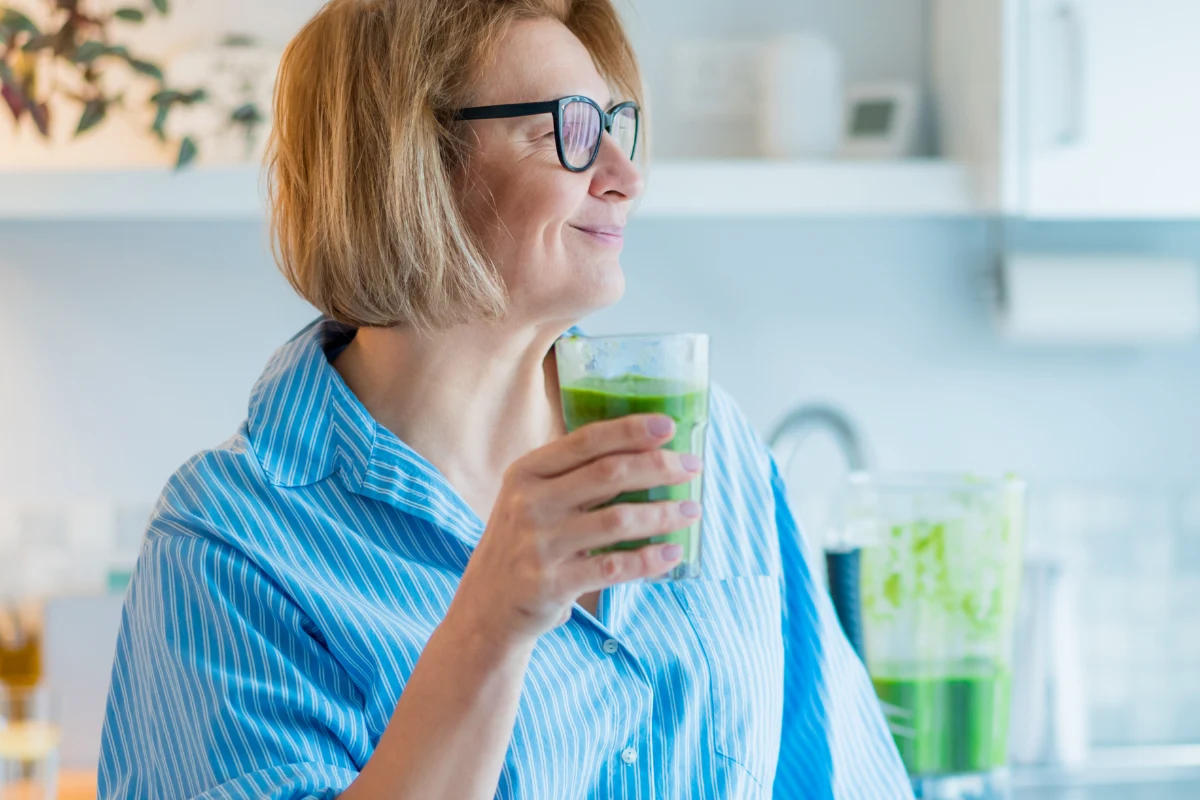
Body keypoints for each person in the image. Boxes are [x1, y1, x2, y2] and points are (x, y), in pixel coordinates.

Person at [97, 0, 911, 797]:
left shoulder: (706, 446)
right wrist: (489, 623)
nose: (625, 178)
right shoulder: (225, 544)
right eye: (570, 129)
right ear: (411, 160)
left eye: (615, 127)